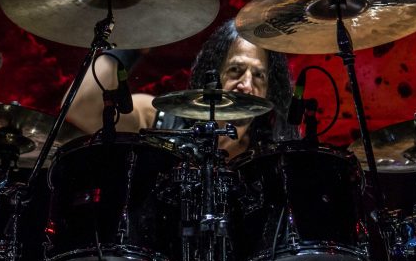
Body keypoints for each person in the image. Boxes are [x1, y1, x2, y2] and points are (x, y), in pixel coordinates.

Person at [64, 19, 297, 158]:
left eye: (259, 76)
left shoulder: (270, 154)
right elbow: (82, 107)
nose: (247, 85)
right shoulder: (157, 119)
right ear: (212, 75)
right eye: (236, 70)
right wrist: (131, 45)